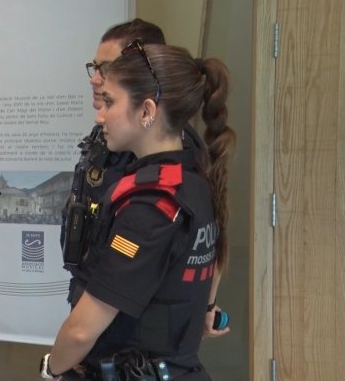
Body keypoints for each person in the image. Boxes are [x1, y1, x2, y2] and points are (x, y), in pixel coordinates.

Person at [42, 42, 235, 381]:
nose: (100, 115)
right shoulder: (194, 179)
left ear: (146, 111)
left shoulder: (151, 203)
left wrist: (53, 369)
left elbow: (82, 329)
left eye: (109, 102)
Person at [62, 19, 229, 342]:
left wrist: (207, 304)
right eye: (95, 67)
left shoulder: (175, 152)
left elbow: (211, 232)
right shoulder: (105, 136)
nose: (97, 79)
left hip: (133, 315)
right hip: (93, 290)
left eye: (107, 68)